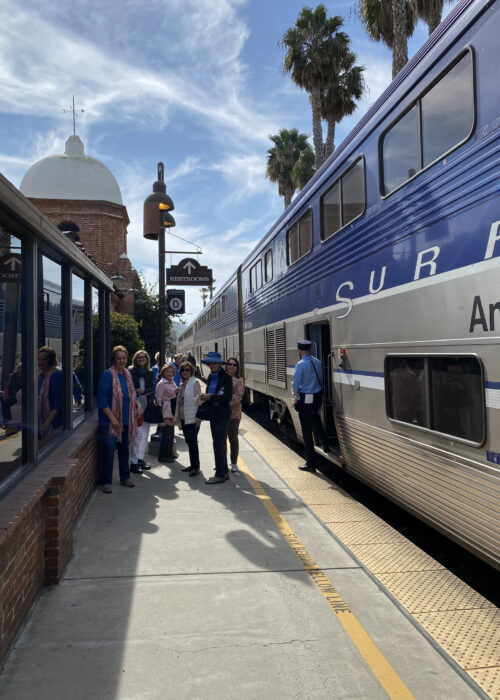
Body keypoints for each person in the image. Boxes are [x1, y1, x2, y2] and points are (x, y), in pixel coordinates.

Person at [97, 345, 141, 493]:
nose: (121, 361)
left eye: (123, 358)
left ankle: (125, 477)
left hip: (126, 420)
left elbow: (131, 394)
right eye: (118, 358)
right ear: (114, 360)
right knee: (109, 451)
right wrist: (112, 418)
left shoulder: (127, 374)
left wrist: (138, 404)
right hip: (110, 422)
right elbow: (102, 399)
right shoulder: (107, 375)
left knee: (124, 450)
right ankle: (106, 481)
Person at [292, 339, 327, 473]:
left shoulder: (300, 364)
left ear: (300, 351)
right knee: (316, 418)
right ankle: (325, 445)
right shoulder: (317, 362)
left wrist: (295, 395)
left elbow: (295, 384)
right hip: (317, 396)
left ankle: (311, 463)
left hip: (306, 398)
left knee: (306, 431)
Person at [199, 351, 233, 484]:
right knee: (219, 442)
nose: (212, 364)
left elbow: (227, 397)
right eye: (210, 362)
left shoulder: (226, 377)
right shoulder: (211, 377)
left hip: (222, 413)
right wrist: (205, 397)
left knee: (218, 443)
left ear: (220, 363)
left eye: (215, 362)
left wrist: (210, 397)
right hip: (213, 412)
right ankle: (224, 471)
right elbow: (211, 393)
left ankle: (219, 475)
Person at [173, 361, 202, 476]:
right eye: (183, 370)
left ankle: (196, 467)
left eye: (187, 370)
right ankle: (192, 465)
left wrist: (198, 418)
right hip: (184, 418)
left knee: (192, 442)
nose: (185, 372)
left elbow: (199, 400)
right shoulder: (182, 384)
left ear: (191, 371)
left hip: (192, 418)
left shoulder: (194, 383)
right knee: (189, 442)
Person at [129, 350, 154, 473]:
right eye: (138, 357)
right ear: (135, 359)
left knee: (145, 435)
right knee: (137, 435)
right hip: (135, 406)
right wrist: (137, 390)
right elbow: (129, 387)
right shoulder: (130, 372)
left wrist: (144, 391)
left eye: (143, 357)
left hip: (147, 406)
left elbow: (152, 387)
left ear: (147, 359)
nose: (141, 359)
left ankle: (140, 459)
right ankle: (133, 462)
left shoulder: (150, 373)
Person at [38, 346, 63, 436]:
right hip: (42, 422)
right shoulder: (40, 375)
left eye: (43, 359)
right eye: (38, 359)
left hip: (54, 424)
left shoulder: (56, 374)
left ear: (51, 360)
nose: (40, 362)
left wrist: (47, 423)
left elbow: (59, 401)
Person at [225, 357, 245, 473]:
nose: (231, 366)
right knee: (221, 438)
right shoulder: (222, 378)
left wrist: (224, 402)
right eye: (229, 364)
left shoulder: (239, 380)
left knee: (232, 438)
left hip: (234, 414)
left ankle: (234, 463)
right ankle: (222, 462)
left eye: (234, 365)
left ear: (237, 368)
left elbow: (238, 396)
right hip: (222, 414)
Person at [156, 363, 178, 463]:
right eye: (167, 372)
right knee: (165, 433)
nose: (169, 373)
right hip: (165, 409)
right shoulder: (161, 383)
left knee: (171, 433)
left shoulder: (172, 381)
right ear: (163, 373)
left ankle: (169, 454)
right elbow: (158, 399)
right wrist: (160, 416)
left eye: (171, 372)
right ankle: (163, 456)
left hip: (172, 408)